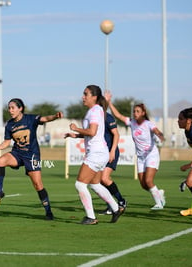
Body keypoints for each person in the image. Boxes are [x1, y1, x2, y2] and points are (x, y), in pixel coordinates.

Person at [0, 98, 63, 220]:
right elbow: (7, 142)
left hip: (32, 155)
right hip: (17, 153)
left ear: (20, 108)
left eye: (13, 107)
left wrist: (55, 116)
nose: (10, 110)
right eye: (9, 108)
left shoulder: (30, 119)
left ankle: (48, 212)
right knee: (1, 161)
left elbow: (45, 119)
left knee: (38, 185)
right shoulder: (10, 124)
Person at [65, 85, 121, 225]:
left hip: (96, 153)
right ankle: (115, 208)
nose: (83, 97)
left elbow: (92, 132)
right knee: (95, 184)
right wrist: (76, 135)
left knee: (80, 184)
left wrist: (76, 128)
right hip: (100, 152)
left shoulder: (94, 111)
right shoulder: (97, 110)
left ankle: (91, 217)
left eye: (86, 94)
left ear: (94, 97)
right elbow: (93, 133)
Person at [106, 91, 165, 210]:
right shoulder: (132, 123)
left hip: (151, 155)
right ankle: (159, 193)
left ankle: (159, 203)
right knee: (143, 185)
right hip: (141, 157)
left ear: (143, 113)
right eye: (134, 111)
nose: (135, 113)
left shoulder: (148, 124)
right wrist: (109, 102)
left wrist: (160, 135)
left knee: (148, 181)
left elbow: (156, 130)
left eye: (138, 111)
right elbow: (118, 115)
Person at [98, 111, 127, 215]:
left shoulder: (107, 117)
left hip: (110, 152)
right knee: (99, 182)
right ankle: (111, 206)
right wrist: (76, 134)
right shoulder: (93, 117)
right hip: (100, 153)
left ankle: (121, 201)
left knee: (104, 179)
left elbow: (116, 134)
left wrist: (112, 151)